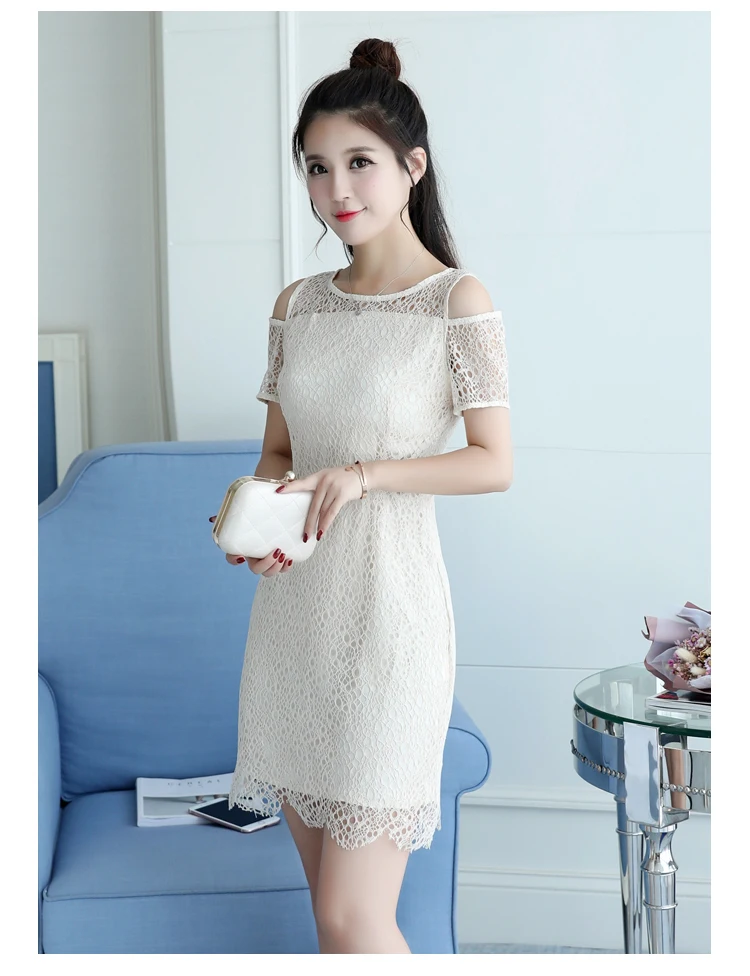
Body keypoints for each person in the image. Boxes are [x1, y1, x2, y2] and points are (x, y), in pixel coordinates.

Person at [209, 37, 512, 954]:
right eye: (316, 167)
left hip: (393, 625)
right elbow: (278, 452)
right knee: (330, 918)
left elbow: (492, 462)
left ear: (411, 166)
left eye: (359, 162)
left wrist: (365, 475)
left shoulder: (455, 302)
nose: (337, 187)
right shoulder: (297, 306)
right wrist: (256, 519)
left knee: (355, 918)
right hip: (294, 620)